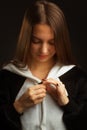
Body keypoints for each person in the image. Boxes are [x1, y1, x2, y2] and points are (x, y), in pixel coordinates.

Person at [0, 0, 87, 130]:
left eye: (52, 42)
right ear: (26, 38)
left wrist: (67, 103)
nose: (44, 50)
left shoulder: (77, 77)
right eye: (36, 41)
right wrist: (18, 106)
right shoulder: (6, 77)